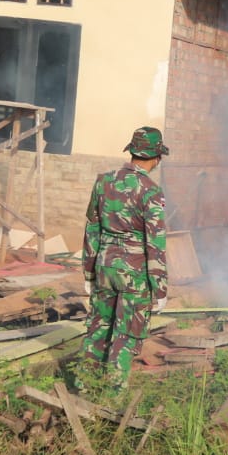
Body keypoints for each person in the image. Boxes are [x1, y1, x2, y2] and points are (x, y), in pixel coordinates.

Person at [80, 126, 170, 392]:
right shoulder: (151, 192)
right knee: (127, 334)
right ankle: (112, 396)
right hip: (135, 276)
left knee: (98, 327)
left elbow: (91, 228)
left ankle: (84, 387)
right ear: (156, 158)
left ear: (131, 151)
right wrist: (160, 289)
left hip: (104, 266)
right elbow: (156, 244)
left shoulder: (103, 181)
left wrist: (88, 272)